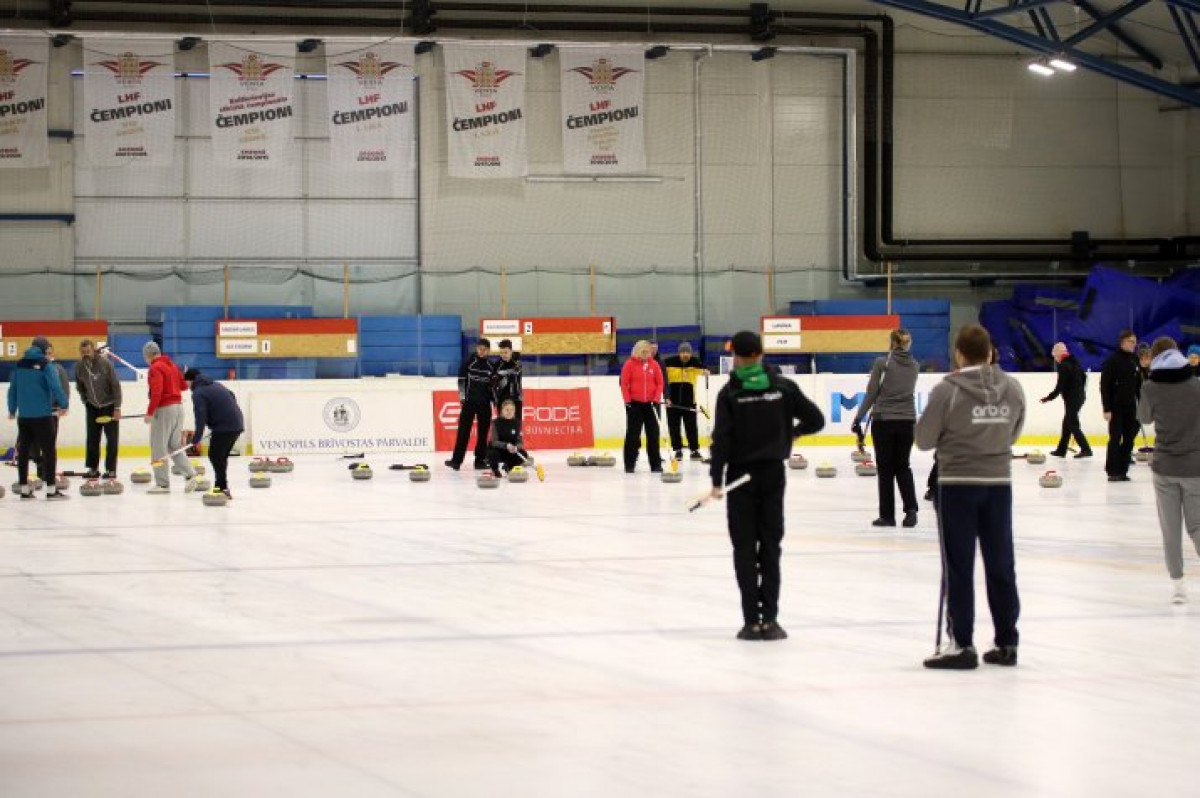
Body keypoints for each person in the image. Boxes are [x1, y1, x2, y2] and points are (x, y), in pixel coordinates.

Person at [916, 325, 1025, 670]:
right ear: (990, 353)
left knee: (959, 565)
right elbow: (1014, 433)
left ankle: (962, 643)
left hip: (958, 484)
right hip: (998, 483)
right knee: (1001, 562)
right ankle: (1007, 641)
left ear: (959, 355)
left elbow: (924, 439)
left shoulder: (948, 390)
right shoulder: (1013, 387)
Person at [709, 331, 825, 641]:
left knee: (745, 549)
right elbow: (816, 420)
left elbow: (722, 440)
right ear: (760, 354)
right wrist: (791, 434)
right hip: (773, 474)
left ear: (736, 356)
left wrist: (716, 480)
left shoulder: (730, 392)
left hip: (740, 478)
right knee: (771, 548)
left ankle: (752, 622)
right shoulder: (783, 387)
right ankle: (770, 621)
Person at [1137, 337, 1200, 604]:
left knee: (1171, 530)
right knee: (1197, 526)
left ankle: (1178, 587)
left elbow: (1144, 418)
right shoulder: (1197, 385)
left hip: (1165, 467)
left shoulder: (1150, 387)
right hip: (1195, 466)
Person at [851, 329, 920, 528]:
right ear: (908, 344)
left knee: (886, 469)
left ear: (892, 343)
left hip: (884, 420)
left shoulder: (882, 363)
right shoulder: (915, 365)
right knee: (903, 466)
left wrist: (858, 417)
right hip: (907, 420)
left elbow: (871, 393)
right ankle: (911, 510)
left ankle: (887, 516)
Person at [6, 337, 70, 500]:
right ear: (44, 349)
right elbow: (55, 386)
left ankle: (24, 489)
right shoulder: (45, 364)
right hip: (42, 416)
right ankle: (51, 490)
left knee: (24, 452)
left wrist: (12, 409)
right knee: (49, 451)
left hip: (24, 417)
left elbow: (12, 389)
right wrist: (64, 404)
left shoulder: (20, 364)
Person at [143, 342, 199, 494]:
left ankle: (162, 484)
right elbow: (184, 386)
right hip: (178, 408)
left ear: (148, 355)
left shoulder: (155, 368)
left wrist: (150, 412)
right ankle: (190, 475)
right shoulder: (172, 365)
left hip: (164, 410)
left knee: (158, 447)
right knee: (174, 445)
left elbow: (157, 392)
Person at [184, 368, 243, 500]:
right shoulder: (216, 384)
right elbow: (232, 395)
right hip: (236, 423)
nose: (186, 386)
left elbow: (200, 416)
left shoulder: (198, 392)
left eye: (186, 383)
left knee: (215, 455)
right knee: (220, 456)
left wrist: (196, 438)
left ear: (190, 380)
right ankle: (221, 486)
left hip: (225, 427)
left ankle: (222, 487)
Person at [76, 339, 123, 479]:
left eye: (88, 351)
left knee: (112, 439)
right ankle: (93, 468)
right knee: (92, 438)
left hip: (109, 406)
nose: (86, 354)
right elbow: (80, 386)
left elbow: (115, 385)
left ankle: (111, 469)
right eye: (83, 352)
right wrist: (85, 401)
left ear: (93, 350)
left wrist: (117, 407)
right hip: (92, 407)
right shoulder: (80, 366)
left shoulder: (105, 364)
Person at [446, 338, 495, 471]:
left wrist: (494, 401)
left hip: (485, 404)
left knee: (483, 433)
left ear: (488, 351)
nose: (482, 351)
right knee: (463, 432)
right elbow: (461, 380)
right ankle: (456, 461)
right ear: (477, 349)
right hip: (469, 403)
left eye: (484, 349)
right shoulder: (469, 362)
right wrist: (463, 398)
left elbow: (493, 386)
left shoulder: (491, 366)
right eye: (480, 349)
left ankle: (479, 461)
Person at [1101, 330, 1141, 482]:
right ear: (1123, 342)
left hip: (1131, 406)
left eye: (1135, 341)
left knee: (1129, 438)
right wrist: (1107, 408)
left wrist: (1142, 405)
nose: (1134, 344)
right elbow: (1105, 386)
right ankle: (1113, 470)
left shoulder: (1134, 360)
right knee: (1115, 438)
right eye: (1131, 341)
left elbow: (1138, 386)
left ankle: (1123, 470)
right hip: (1115, 406)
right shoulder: (1112, 360)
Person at [1041, 342, 1092, 459]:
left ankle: (1086, 449)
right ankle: (1061, 450)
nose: (1055, 359)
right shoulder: (1075, 362)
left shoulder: (1064, 366)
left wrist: (1049, 397)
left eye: (1055, 356)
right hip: (1079, 397)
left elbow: (1060, 385)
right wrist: (1079, 390)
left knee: (1072, 424)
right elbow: (1084, 377)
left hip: (1072, 398)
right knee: (1067, 423)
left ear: (1058, 354)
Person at [620, 340, 665, 473]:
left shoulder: (654, 365)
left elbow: (660, 383)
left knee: (653, 435)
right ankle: (629, 464)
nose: (646, 354)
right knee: (633, 435)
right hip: (634, 404)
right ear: (637, 351)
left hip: (651, 404)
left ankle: (655, 464)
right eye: (644, 352)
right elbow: (624, 384)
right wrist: (627, 401)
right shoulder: (629, 364)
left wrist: (656, 399)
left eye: (648, 352)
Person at [663, 342, 707, 461]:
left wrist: (706, 371)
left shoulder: (695, 363)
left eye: (687, 352)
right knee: (674, 428)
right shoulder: (669, 363)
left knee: (691, 427)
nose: (685, 354)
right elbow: (659, 372)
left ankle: (694, 450)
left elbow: (705, 370)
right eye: (683, 352)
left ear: (691, 353)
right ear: (679, 353)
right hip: (672, 403)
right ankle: (678, 450)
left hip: (689, 403)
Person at [487, 399, 531, 477]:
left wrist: (516, 447)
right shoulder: (496, 422)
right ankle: (495, 470)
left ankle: (509, 466)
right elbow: (494, 442)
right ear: (502, 411)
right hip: (499, 450)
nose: (509, 412)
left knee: (523, 454)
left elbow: (520, 442)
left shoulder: (517, 423)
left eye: (511, 410)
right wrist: (506, 445)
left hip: (511, 451)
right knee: (491, 453)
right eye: (507, 410)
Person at [493, 339, 523, 419]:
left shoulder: (517, 361)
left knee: (516, 423)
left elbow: (517, 372)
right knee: (502, 423)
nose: (503, 355)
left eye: (505, 352)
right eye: (501, 352)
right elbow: (494, 384)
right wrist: (495, 399)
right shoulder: (497, 365)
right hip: (502, 399)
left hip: (516, 398)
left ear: (511, 351)